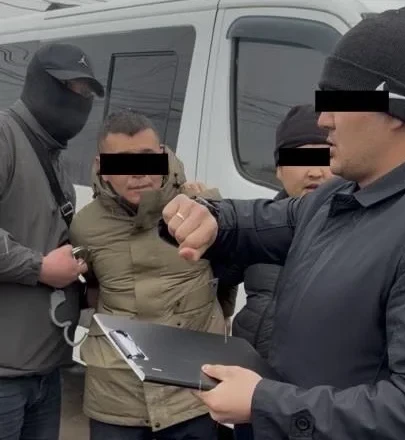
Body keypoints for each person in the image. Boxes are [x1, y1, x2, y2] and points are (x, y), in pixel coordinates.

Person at [158, 7, 405, 440]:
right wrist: (209, 217)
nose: (323, 120)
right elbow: (259, 222)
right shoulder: (339, 196)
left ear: (396, 108)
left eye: (338, 99)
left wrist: (266, 403)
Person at [69, 109, 237, 440]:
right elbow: (91, 290)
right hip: (116, 397)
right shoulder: (84, 227)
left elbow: (228, 278)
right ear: (102, 167)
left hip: (191, 392)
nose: (138, 173)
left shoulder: (202, 208)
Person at [0, 42, 103, 440]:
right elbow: (43, 263)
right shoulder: (6, 137)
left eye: (87, 93)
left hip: (45, 374)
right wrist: (40, 267)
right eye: (72, 88)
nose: (80, 100)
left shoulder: (53, 157)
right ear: (41, 83)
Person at [226, 104, 333, 440]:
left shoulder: (361, 232)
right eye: (300, 158)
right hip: (253, 396)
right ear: (279, 169)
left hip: (318, 408)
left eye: (325, 157)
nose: (315, 171)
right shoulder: (253, 228)